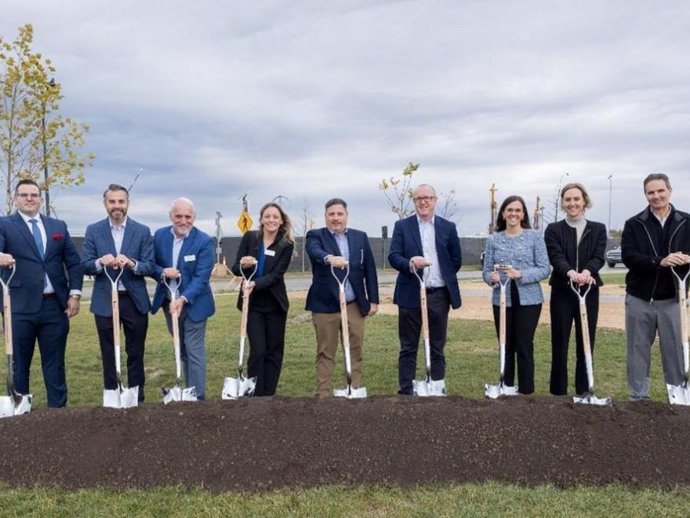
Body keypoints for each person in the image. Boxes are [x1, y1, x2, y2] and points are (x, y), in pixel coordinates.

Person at [0, 179, 83, 407]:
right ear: (15, 198)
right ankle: (21, 413)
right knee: (19, 364)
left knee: (55, 364)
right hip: (18, 308)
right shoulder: (4, 225)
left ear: (40, 198)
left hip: (54, 308)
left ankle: (57, 416)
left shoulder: (58, 227)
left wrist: (74, 294)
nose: (29, 198)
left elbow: (74, 263)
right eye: (24, 194)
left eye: (34, 195)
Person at [81, 184, 155, 402]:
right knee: (108, 352)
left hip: (134, 301)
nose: (117, 206)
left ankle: (136, 395)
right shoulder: (94, 230)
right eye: (112, 201)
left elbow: (150, 266)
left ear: (128, 203)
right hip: (105, 301)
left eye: (121, 201)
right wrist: (98, 262)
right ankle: (113, 395)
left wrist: (132, 263)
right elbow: (84, 264)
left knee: (135, 351)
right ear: (105, 204)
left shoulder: (142, 231)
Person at [621, 173, 690, 401]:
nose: (656, 196)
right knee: (638, 351)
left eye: (660, 191)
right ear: (645, 195)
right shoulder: (634, 224)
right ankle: (638, 399)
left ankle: (678, 397)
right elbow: (629, 257)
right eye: (651, 192)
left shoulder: (686, 222)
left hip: (673, 299)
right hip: (641, 298)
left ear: (670, 191)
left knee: (675, 351)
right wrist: (659, 260)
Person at [388, 184, 462, 395]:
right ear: (414, 201)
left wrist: (442, 275)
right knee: (408, 346)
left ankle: (436, 386)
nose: (423, 201)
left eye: (428, 197)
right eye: (419, 198)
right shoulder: (402, 226)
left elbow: (455, 261)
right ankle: (406, 391)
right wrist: (410, 262)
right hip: (410, 294)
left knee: (437, 346)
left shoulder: (448, 227)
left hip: (438, 294)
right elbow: (393, 256)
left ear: (435, 200)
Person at [305, 198, 379, 397]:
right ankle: (322, 395)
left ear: (346, 216)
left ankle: (353, 390)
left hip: (353, 304)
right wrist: (329, 258)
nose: (336, 218)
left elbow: (369, 269)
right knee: (325, 351)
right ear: (326, 216)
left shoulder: (360, 237)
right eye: (331, 214)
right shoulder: (315, 236)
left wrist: (373, 299)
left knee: (355, 349)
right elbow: (314, 252)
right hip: (325, 305)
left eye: (340, 214)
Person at [482, 195, 549, 394]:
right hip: (502, 298)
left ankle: (526, 392)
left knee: (524, 344)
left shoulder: (535, 236)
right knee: (505, 343)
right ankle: (506, 387)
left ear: (523, 214)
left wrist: (520, 274)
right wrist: (491, 278)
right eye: (509, 210)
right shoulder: (493, 239)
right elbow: (486, 271)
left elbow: (545, 268)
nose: (513, 214)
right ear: (503, 214)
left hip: (529, 299)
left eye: (517, 210)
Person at [544, 183, 607, 396]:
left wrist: (588, 272)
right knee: (559, 342)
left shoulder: (598, 228)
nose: (572, 203)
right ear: (563, 203)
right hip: (563, 291)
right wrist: (570, 272)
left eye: (576, 199)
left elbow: (599, 256)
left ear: (584, 201)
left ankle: (583, 392)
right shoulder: (553, 230)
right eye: (568, 199)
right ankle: (558, 393)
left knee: (586, 342)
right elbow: (556, 256)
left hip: (588, 292)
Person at [151, 197, 215, 400]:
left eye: (188, 216)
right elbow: (150, 265)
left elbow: (202, 276)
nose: (183, 221)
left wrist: (183, 298)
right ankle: (186, 390)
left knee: (194, 350)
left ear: (194, 217)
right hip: (169, 304)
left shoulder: (203, 241)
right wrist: (163, 272)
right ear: (171, 216)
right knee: (181, 349)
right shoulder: (160, 236)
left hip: (194, 304)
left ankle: (196, 398)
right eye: (178, 216)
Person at [231, 202, 295, 396]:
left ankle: (269, 394)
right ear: (261, 220)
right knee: (258, 350)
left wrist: (255, 284)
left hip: (275, 304)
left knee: (273, 352)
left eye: (275, 217)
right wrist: (244, 264)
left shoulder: (286, 244)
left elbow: (277, 275)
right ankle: (255, 393)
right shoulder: (250, 238)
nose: (271, 220)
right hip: (253, 304)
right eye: (267, 216)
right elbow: (236, 269)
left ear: (281, 220)